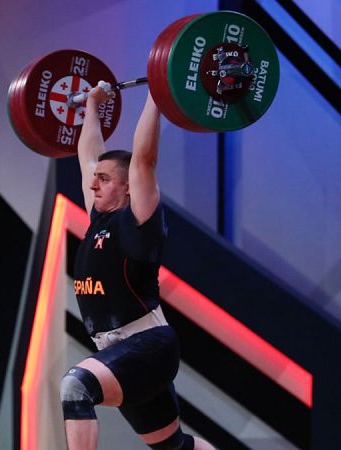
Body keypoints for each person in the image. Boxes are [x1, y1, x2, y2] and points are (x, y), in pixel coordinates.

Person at [62, 84, 215, 450]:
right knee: (174, 447)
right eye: (95, 178)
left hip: (148, 345)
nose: (93, 184)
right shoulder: (98, 217)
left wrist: (157, 93)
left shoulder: (138, 219)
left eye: (104, 179)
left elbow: (144, 158)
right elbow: (88, 154)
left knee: (76, 387)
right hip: (120, 351)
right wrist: (92, 106)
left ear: (129, 186)